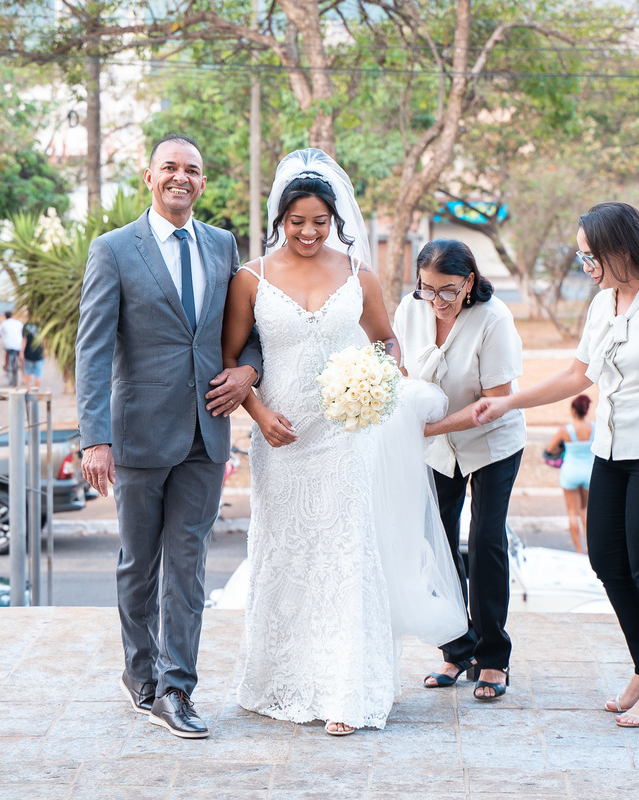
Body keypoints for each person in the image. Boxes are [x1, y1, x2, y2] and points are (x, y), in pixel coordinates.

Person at [222, 149, 466, 736]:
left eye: (320, 221)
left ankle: (346, 690)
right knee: (286, 554)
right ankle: (279, 680)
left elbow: (386, 343)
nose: (308, 232)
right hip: (280, 438)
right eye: (297, 221)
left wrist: (373, 386)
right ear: (279, 219)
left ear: (335, 220)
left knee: (345, 554)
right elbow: (230, 360)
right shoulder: (250, 277)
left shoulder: (360, 275)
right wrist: (259, 414)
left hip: (344, 435)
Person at [473, 201, 639, 729]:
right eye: (581, 257)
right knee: (606, 560)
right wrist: (508, 402)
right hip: (611, 450)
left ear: (621, 249)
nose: (585, 266)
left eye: (591, 256)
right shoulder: (603, 305)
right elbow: (576, 376)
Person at [75, 133, 262, 740]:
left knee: (188, 562)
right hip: (138, 434)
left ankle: (177, 687)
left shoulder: (222, 245)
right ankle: (140, 673)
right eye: (170, 167)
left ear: (202, 182)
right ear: (149, 177)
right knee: (139, 564)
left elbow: (247, 330)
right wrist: (94, 438)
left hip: (207, 430)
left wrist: (247, 372)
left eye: (193, 170)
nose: (181, 177)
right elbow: (92, 350)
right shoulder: (112, 250)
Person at [393, 239, 525, 701]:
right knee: (436, 542)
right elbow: (400, 373)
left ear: (469, 282)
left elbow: (497, 400)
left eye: (447, 290)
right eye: (427, 288)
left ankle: (493, 658)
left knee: (486, 540)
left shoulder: (494, 319)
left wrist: (429, 427)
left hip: (491, 442)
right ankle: (457, 648)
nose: (437, 300)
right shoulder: (409, 310)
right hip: (435, 446)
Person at [546, 394, 595, 554]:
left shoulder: (565, 430)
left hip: (570, 472)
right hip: (588, 472)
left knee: (572, 513)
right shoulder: (594, 428)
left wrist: (561, 449)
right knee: (585, 511)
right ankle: (590, 550)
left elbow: (549, 449)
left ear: (573, 410)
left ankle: (579, 551)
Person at [22, 321, 44, 391]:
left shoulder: (26, 326)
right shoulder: (41, 325)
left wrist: (21, 352)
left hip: (28, 354)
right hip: (39, 354)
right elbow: (44, 340)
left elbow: (24, 340)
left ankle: (29, 390)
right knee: (38, 375)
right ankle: (36, 391)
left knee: (27, 372)